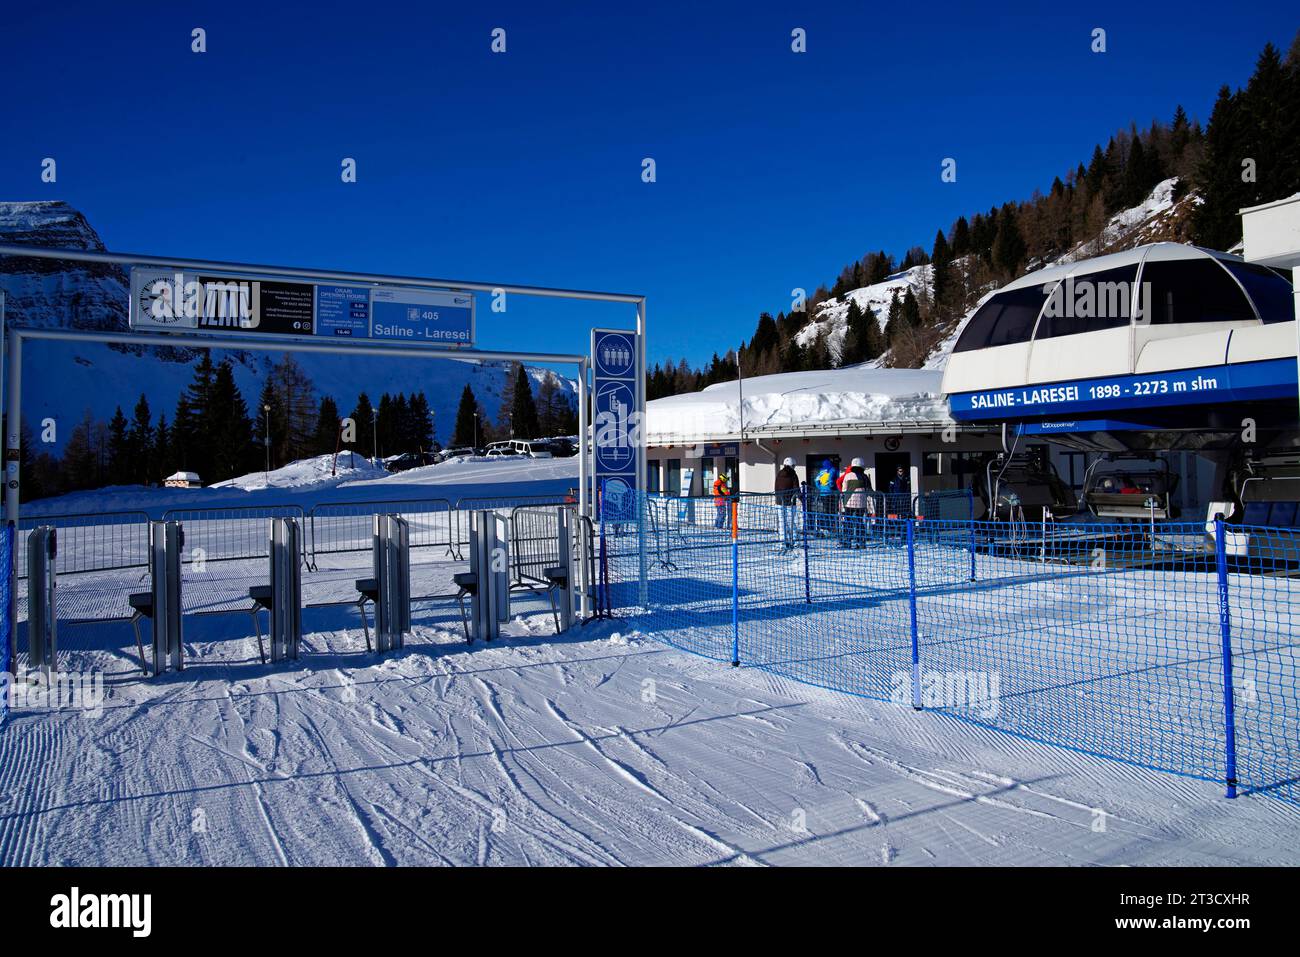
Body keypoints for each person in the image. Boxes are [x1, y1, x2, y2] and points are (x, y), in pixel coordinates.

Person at [837, 457, 873, 548]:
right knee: (860, 522)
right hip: (861, 504)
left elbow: (844, 489)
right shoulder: (864, 477)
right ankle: (861, 542)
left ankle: (847, 542)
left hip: (849, 502)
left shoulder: (848, 475)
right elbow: (869, 491)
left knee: (848, 521)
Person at [775, 457, 800, 550]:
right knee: (792, 521)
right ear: (792, 465)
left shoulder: (779, 474)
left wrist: (778, 498)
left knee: (782, 522)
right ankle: (794, 540)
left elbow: (776, 487)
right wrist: (802, 498)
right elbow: (796, 488)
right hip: (790, 501)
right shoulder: (793, 474)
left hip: (779, 501)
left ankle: (783, 541)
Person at [813, 458, 839, 535]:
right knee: (833, 511)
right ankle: (833, 528)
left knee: (826, 511)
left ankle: (828, 527)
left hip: (822, 494)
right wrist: (832, 487)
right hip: (831, 493)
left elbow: (816, 481)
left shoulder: (821, 472)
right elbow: (833, 481)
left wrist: (820, 488)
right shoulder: (833, 470)